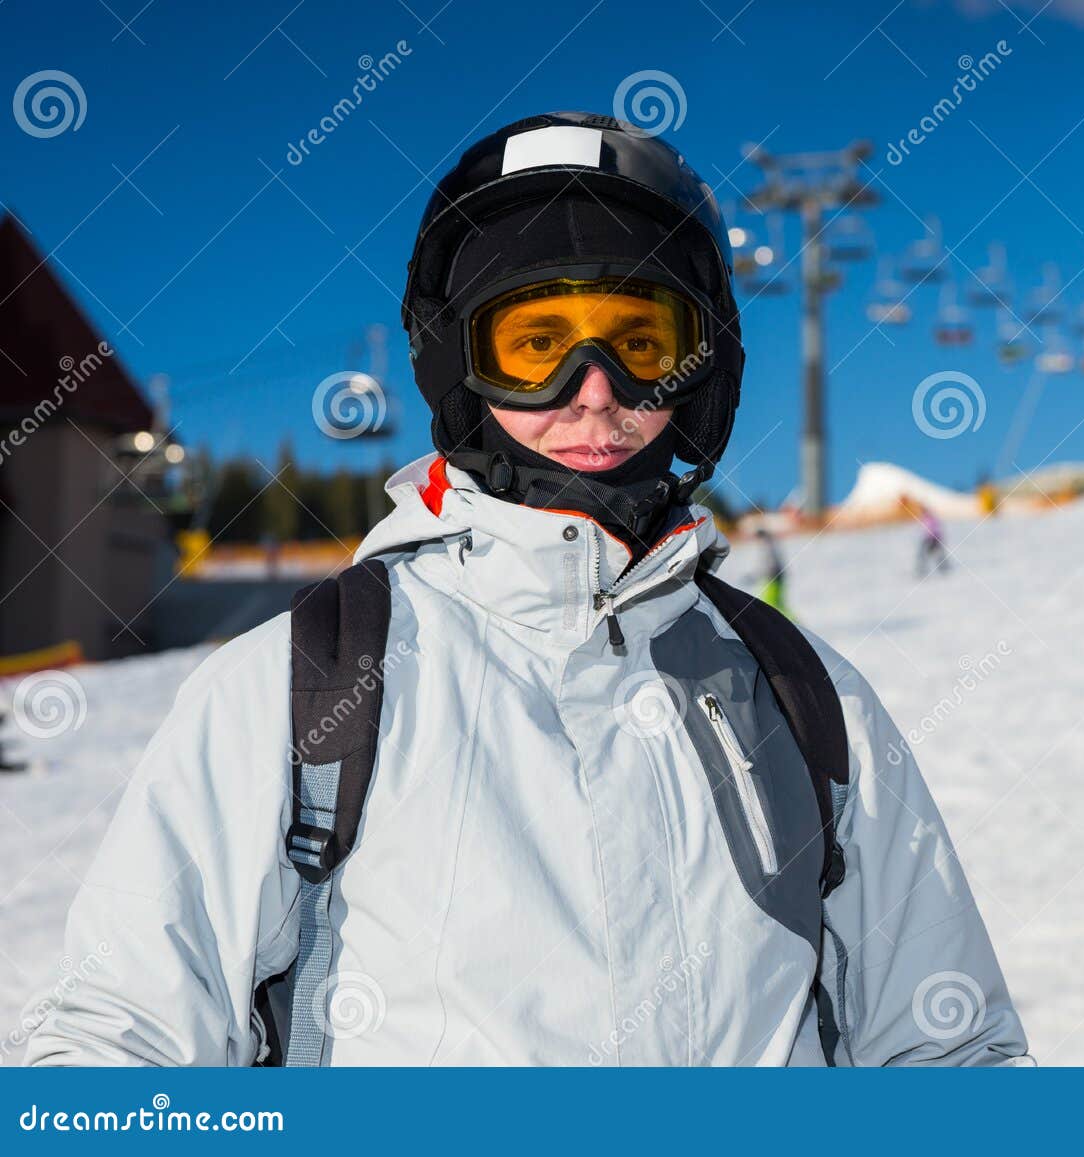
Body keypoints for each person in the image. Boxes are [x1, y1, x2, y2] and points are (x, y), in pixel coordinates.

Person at [26, 113, 1028, 1068]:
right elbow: (124, 1044)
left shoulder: (809, 700)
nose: (594, 390)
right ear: (462, 363)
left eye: (640, 343)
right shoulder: (305, 687)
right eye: (539, 345)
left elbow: (945, 1049)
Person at [753, 526, 790, 617]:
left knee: (769, 603)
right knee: (778, 603)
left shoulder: (766, 545)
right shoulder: (771, 543)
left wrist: (763, 574)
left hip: (772, 578)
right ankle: (794, 623)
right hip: (776, 577)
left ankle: (791, 623)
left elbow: (770, 563)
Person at [907, 497, 950, 576]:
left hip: (933, 539)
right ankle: (922, 569)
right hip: (929, 539)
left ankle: (942, 567)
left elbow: (936, 528)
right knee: (926, 554)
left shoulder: (930, 518)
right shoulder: (924, 518)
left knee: (933, 554)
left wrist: (935, 537)